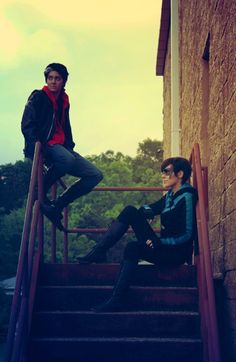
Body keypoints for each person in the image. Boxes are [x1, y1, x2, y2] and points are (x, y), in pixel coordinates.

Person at [78, 156, 198, 312]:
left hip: (175, 253)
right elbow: (148, 208)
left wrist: (160, 242)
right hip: (160, 246)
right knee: (132, 244)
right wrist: (147, 213)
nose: (162, 175)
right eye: (162, 171)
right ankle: (116, 299)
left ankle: (99, 253)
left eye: (166, 171)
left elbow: (188, 234)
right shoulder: (169, 196)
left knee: (131, 224)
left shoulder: (188, 195)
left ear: (180, 174)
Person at [21, 63, 103, 230]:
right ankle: (39, 191)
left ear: (64, 81)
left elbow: (65, 126)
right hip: (45, 145)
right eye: (50, 78)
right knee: (66, 160)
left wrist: (69, 145)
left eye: (57, 78)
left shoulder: (64, 100)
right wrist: (37, 146)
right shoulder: (38, 97)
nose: (53, 82)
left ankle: (57, 205)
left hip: (62, 146)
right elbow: (26, 124)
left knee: (94, 175)